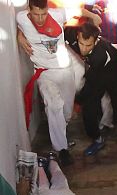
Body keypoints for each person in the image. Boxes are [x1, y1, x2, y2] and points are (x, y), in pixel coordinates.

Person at [16, 0, 89, 166]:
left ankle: (62, 132)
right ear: (29, 10)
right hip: (44, 72)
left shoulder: (58, 15)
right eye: (36, 14)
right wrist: (18, 35)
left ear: (48, 10)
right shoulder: (21, 18)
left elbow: (80, 9)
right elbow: (12, 22)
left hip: (64, 70)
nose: (40, 19)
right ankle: (62, 149)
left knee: (66, 113)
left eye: (44, 14)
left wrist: (94, 17)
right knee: (54, 105)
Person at [65, 22, 117, 156]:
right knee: (89, 106)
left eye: (88, 45)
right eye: (81, 43)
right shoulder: (70, 34)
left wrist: (76, 104)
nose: (83, 49)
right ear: (77, 37)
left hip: (113, 71)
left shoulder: (99, 55)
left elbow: (90, 83)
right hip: (96, 73)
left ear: (96, 42)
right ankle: (97, 138)